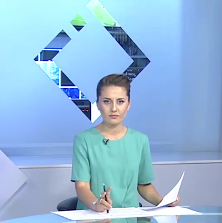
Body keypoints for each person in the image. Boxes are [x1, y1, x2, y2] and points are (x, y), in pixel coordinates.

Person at [71, 74, 180, 211]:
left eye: (120, 101)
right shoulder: (83, 140)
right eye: (107, 101)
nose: (114, 108)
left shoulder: (140, 140)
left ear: (129, 104)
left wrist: (163, 202)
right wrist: (95, 204)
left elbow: (144, 185)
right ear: (98, 104)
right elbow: (82, 186)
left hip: (130, 217)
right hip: (94, 217)